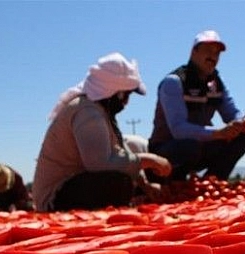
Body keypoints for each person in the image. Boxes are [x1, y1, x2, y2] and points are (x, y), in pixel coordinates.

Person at [32, 52, 172, 212]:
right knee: (117, 183)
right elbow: (100, 164)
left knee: (124, 179)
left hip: (71, 185)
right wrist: (147, 160)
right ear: (117, 93)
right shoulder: (87, 112)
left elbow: (119, 152)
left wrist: (145, 185)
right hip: (54, 196)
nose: (126, 102)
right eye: (126, 95)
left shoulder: (100, 110)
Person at [148, 29, 245, 183]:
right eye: (208, 50)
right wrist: (219, 133)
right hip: (167, 150)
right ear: (194, 52)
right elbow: (178, 130)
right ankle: (173, 183)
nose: (213, 56)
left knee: (243, 138)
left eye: (217, 53)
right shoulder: (174, 82)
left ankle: (213, 184)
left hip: (198, 147)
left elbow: (231, 112)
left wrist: (243, 123)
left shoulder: (216, 83)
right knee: (189, 146)